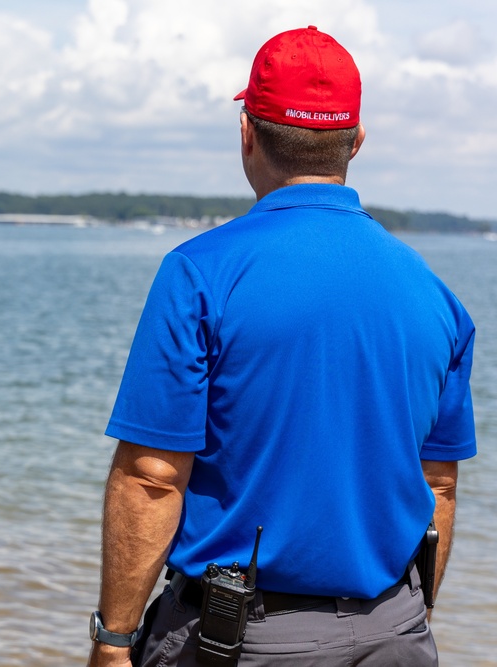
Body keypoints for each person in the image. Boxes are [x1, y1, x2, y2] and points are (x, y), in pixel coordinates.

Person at [88, 26, 476, 667]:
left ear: (247, 133)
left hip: (241, 642)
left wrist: (115, 639)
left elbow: (152, 476)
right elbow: (440, 486)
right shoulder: (436, 295)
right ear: (356, 140)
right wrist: (409, 621)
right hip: (397, 632)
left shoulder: (198, 273)